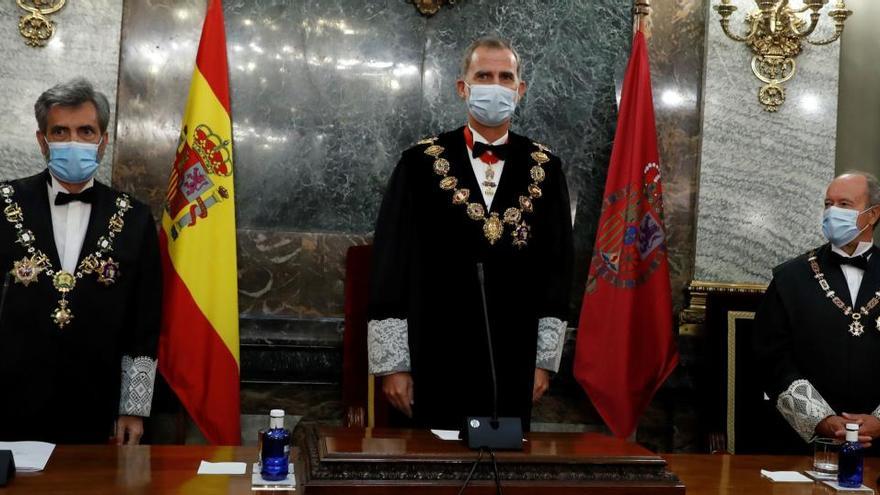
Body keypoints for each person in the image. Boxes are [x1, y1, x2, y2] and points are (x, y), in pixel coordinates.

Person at [367, 36, 574, 430]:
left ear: (520, 89)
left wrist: (543, 362)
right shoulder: (418, 165)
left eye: (505, 76)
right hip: (433, 358)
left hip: (512, 363)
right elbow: (389, 266)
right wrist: (393, 365)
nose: (494, 85)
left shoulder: (546, 169)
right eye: (483, 75)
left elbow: (557, 270)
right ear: (463, 87)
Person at [0, 78, 161, 444]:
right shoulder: (5, 204)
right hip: (10, 398)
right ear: (42, 141)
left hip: (98, 404)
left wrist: (133, 408)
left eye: (86, 131)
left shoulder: (134, 218)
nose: (73, 142)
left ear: (103, 142)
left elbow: (144, 320)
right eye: (60, 131)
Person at [755, 172, 880, 451]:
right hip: (804, 445)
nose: (832, 212)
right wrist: (821, 419)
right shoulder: (790, 278)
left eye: (844, 204)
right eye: (828, 204)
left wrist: (879, 421)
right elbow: (772, 359)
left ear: (873, 215)